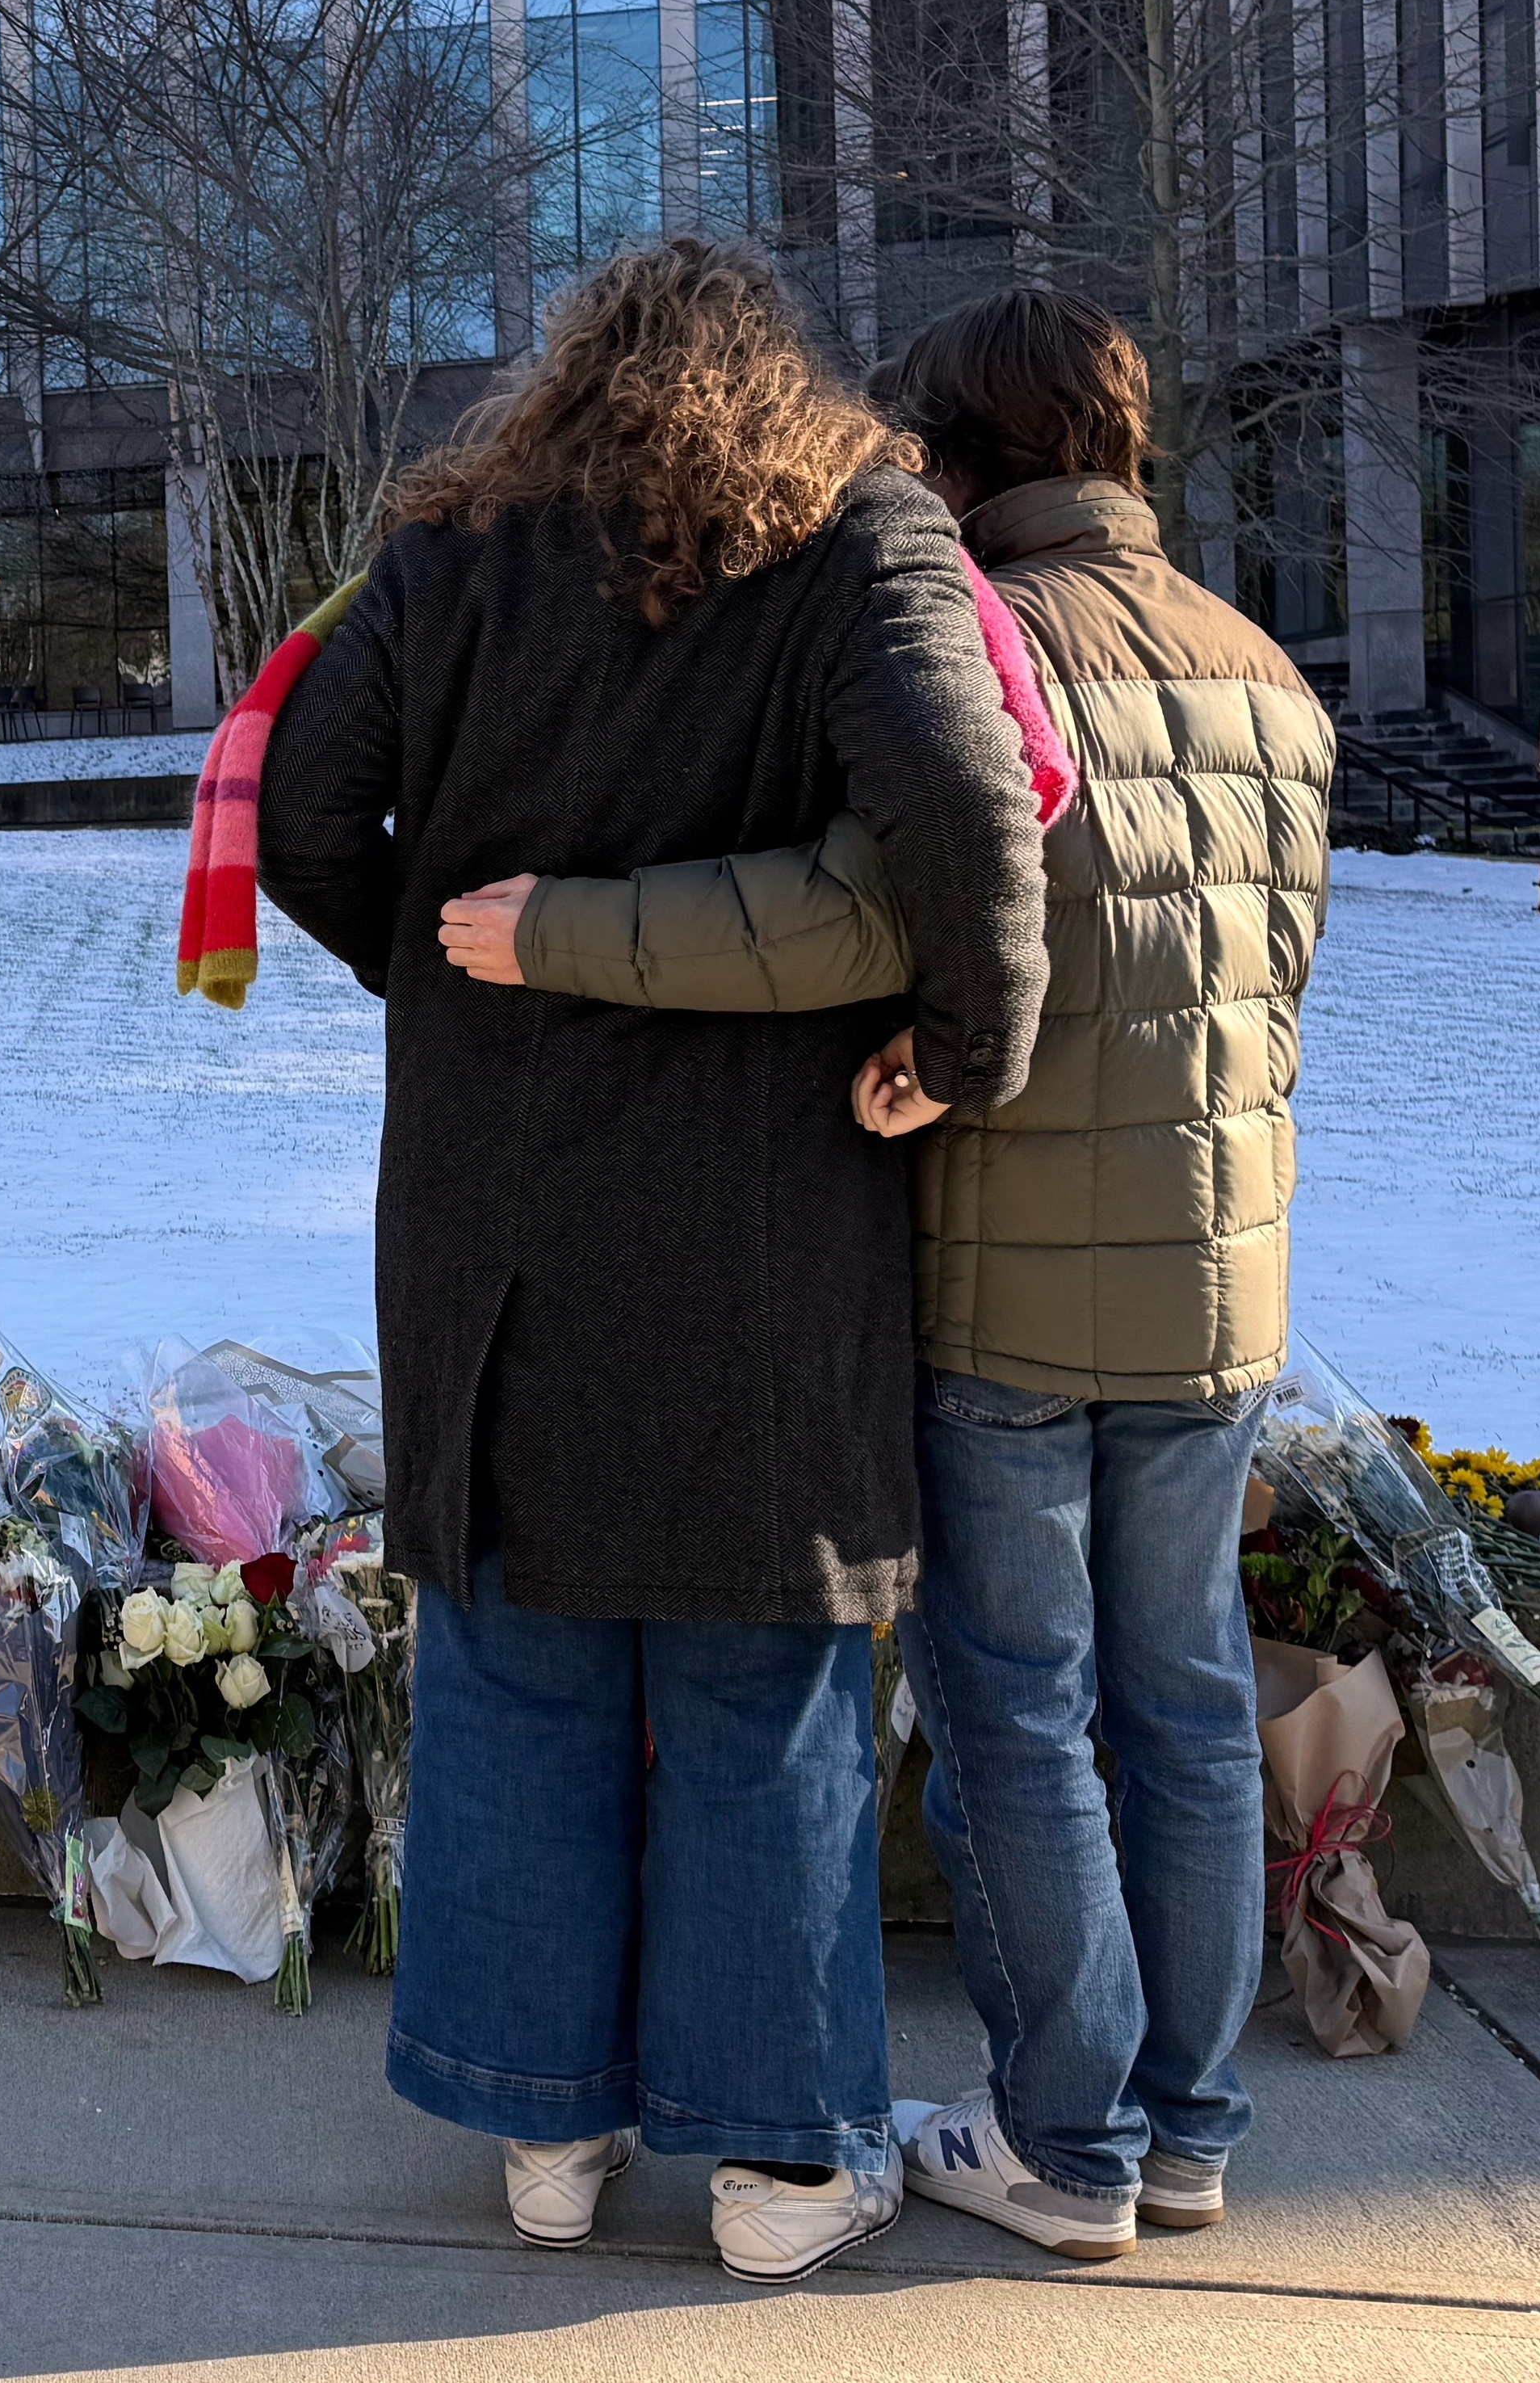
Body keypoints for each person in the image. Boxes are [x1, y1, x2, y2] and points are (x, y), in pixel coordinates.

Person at [431, 285, 1335, 2262]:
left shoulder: (974, 637)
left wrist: (557, 931)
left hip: (1003, 1278)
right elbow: (1277, 984)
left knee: (1019, 1709)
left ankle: (1069, 2142)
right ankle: (1188, 2126)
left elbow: (852, 907)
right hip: (1222, 1287)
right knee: (1184, 1703)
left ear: (959, 447)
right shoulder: (1270, 671)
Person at [260, 239, 1048, 2284]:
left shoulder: (458, 543)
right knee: (757, 1670)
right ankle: (783, 2163)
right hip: (758, 1207)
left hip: (496, 1209)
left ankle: (547, 2130)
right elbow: (969, 806)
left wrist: (451, 985)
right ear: (787, 376)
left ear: (569, 374)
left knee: (519, 1661)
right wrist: (960, 1046)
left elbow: (306, 810)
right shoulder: (861, 531)